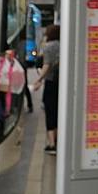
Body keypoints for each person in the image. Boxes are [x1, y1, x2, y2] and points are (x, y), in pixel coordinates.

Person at [33, 24, 60, 155]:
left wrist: (38, 80)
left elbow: (46, 66)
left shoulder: (49, 47)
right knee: (58, 111)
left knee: (50, 112)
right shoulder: (63, 44)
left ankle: (52, 144)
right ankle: (59, 140)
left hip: (51, 83)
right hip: (61, 83)